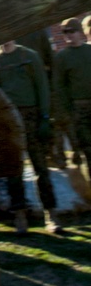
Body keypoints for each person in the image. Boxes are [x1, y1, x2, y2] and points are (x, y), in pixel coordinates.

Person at [0, 39, 64, 235]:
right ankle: (20, 216)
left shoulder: (29, 57)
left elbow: (42, 87)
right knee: (14, 172)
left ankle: (51, 214)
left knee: (41, 168)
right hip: (10, 119)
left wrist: (45, 117)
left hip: (32, 116)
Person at [53, 18, 91, 176]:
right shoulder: (62, 57)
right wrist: (68, 113)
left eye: (71, 31)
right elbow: (59, 87)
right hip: (78, 108)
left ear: (80, 32)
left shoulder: (89, 51)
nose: (68, 35)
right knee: (88, 149)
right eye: (65, 32)